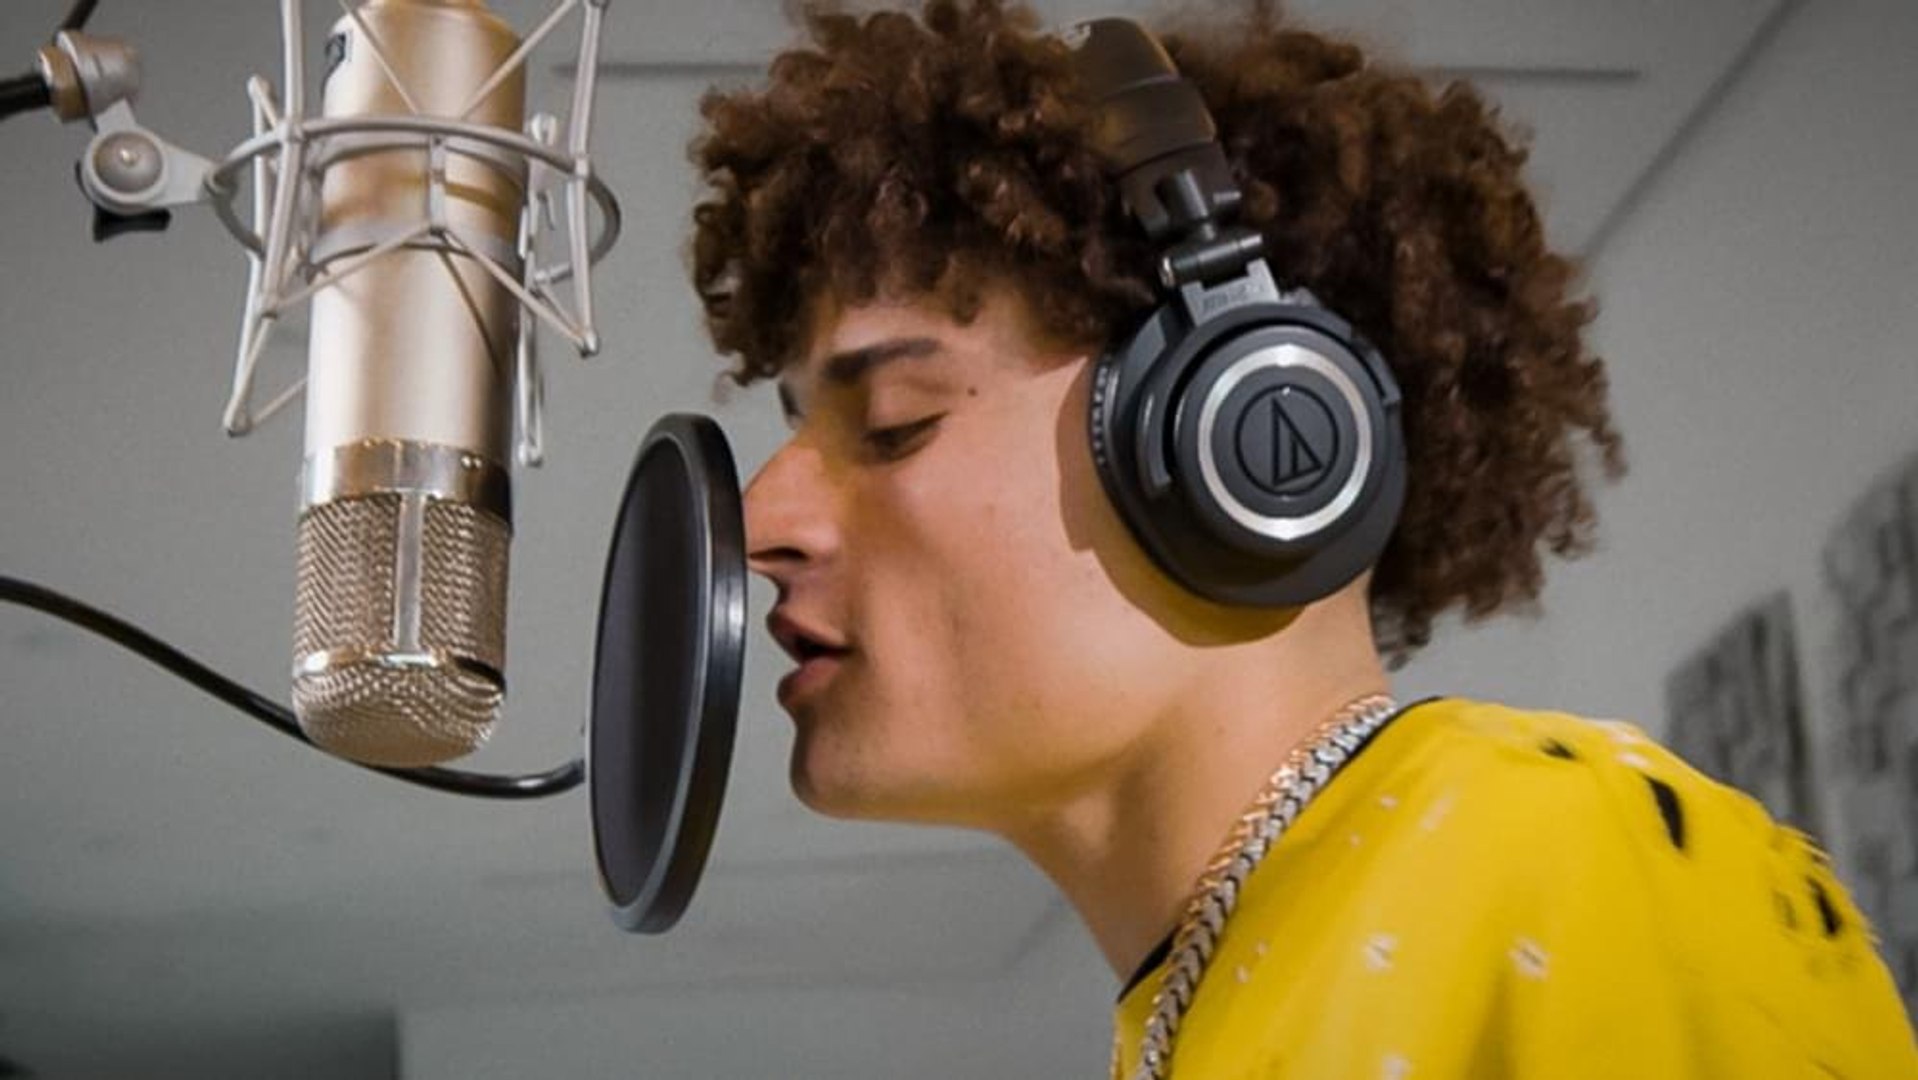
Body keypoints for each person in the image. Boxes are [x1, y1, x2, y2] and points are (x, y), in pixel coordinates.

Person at [685, 1, 1918, 1075]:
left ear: (1234, 432)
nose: (759, 522)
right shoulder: (1198, 1006)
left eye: (894, 422)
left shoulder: (1566, 864)